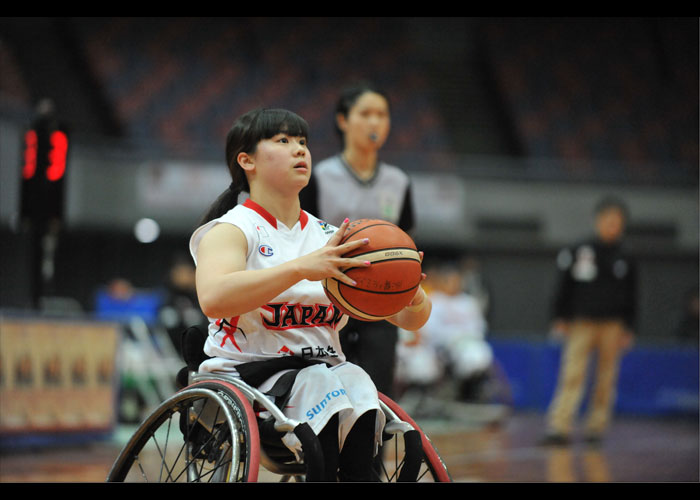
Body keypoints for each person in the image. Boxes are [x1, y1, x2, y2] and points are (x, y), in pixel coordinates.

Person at [189, 108, 431, 482]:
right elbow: (214, 298)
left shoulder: (333, 237)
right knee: (322, 382)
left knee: (356, 380)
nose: (300, 150)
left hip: (327, 373)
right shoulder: (232, 229)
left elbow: (408, 319)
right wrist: (300, 268)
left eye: (303, 142)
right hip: (251, 376)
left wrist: (411, 294)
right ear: (246, 160)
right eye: (283, 141)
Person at [299, 82, 414, 399]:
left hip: (381, 301)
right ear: (343, 121)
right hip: (328, 297)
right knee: (326, 392)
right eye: (365, 114)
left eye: (382, 114)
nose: (375, 122)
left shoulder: (400, 182)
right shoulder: (318, 176)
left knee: (379, 396)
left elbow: (405, 244)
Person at [541, 196, 637, 446]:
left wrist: (629, 327)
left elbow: (633, 294)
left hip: (613, 325)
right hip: (581, 322)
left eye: (617, 223)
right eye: (608, 221)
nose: (612, 226)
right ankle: (559, 427)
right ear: (598, 221)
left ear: (622, 225)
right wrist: (560, 316)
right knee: (572, 373)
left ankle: (596, 428)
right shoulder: (580, 250)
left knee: (606, 377)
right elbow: (564, 285)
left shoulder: (626, 256)